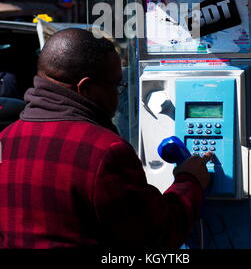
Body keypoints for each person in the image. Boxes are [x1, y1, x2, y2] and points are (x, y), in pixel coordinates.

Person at [0, 28, 212, 251]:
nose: (118, 95)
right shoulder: (104, 151)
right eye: (116, 85)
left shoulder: (5, 139)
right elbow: (154, 236)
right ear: (87, 88)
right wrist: (189, 181)